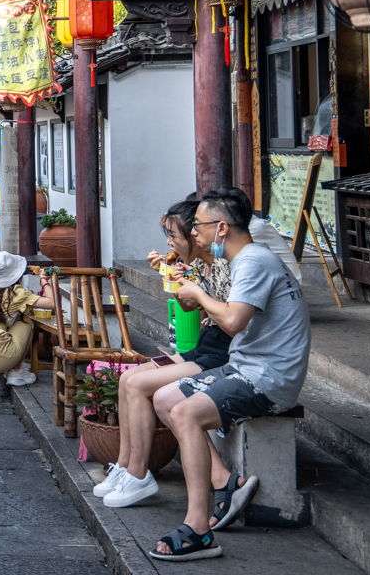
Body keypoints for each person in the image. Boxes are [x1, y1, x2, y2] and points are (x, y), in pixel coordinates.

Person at [148, 188, 311, 562]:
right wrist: (195, 296)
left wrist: (198, 294)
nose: (194, 234)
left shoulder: (253, 260)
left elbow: (234, 321)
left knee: (185, 413)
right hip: (246, 365)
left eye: (199, 226)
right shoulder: (243, 261)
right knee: (165, 398)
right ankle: (223, 484)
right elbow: (225, 315)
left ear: (221, 228)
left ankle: (198, 530)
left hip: (268, 377)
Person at [99, 198, 236, 509]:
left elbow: (230, 319)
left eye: (175, 235)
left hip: (221, 355)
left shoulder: (227, 265)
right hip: (204, 346)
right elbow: (190, 309)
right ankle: (124, 465)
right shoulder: (199, 265)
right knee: (128, 378)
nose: (169, 242)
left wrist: (196, 287)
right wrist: (174, 277)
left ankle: (138, 473)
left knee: (138, 384)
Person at [0, 251, 56, 395]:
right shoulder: (16, 293)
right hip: (0, 358)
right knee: (25, 320)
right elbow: (52, 303)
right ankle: (16, 372)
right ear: (17, 276)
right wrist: (44, 281)